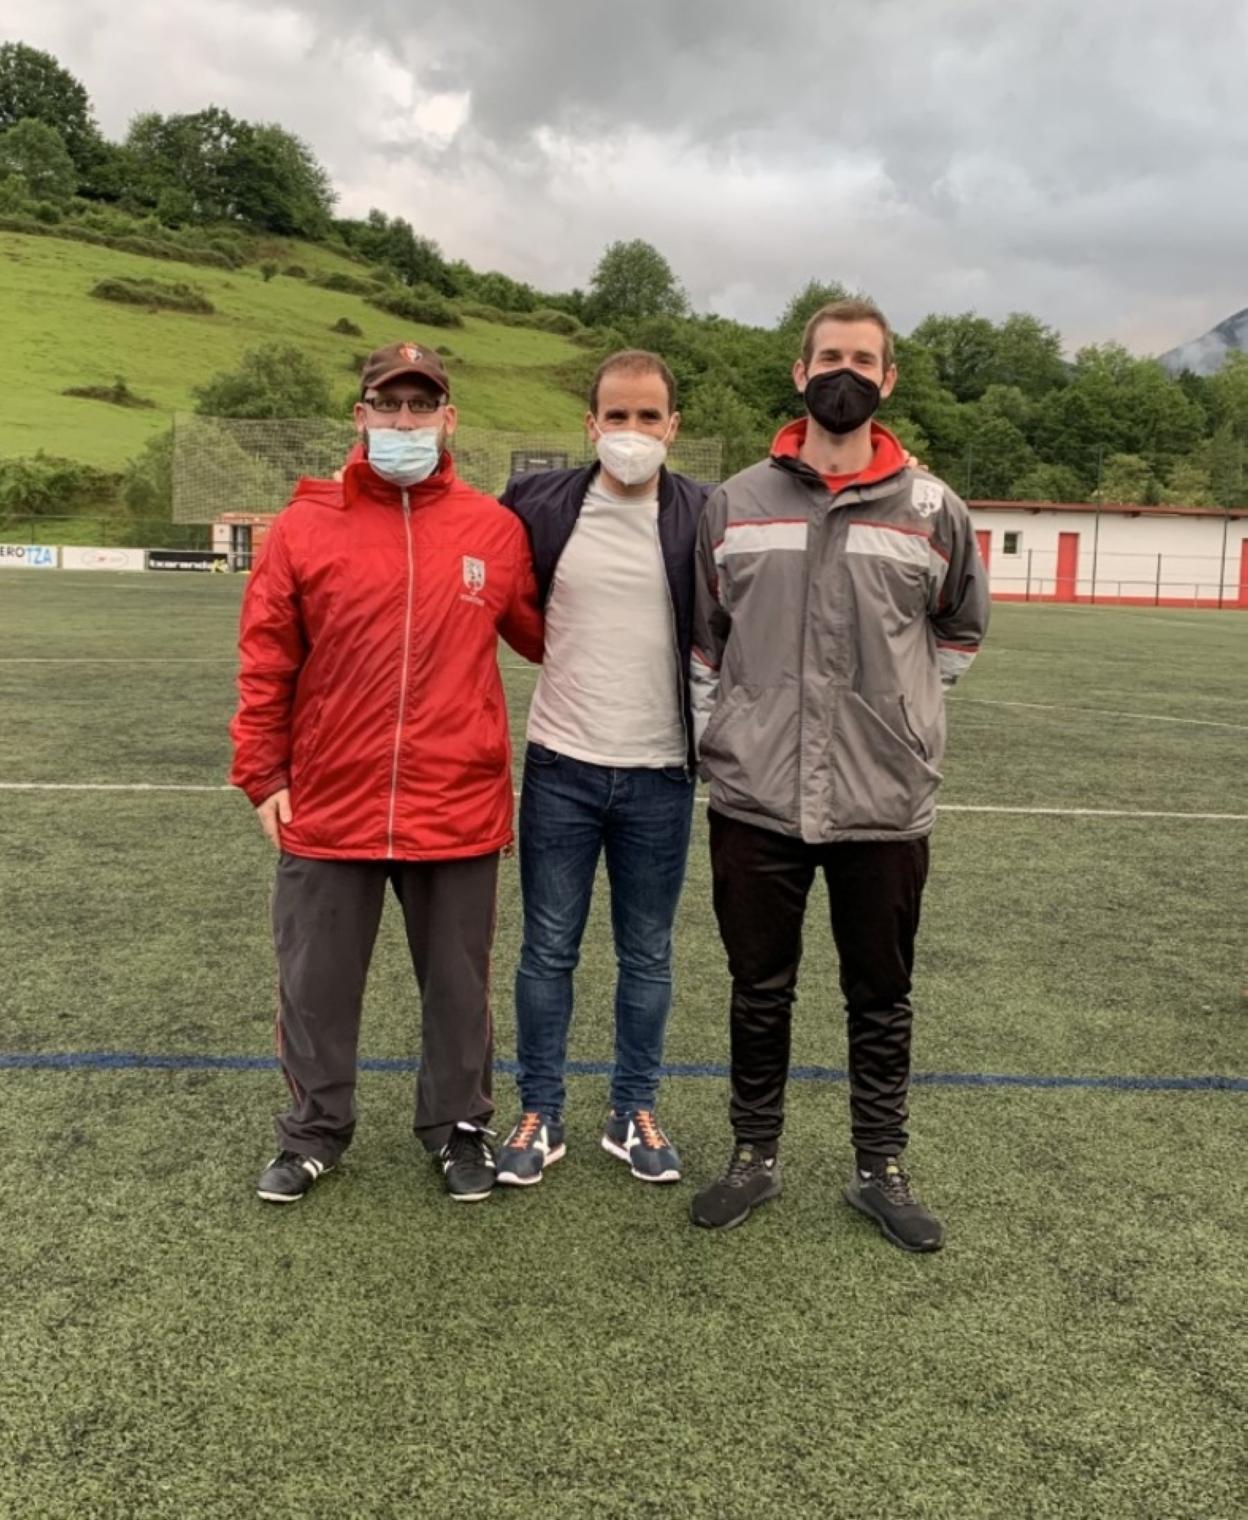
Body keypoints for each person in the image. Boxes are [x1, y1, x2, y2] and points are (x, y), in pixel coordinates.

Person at [687, 299, 990, 1248]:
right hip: (757, 794)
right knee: (758, 988)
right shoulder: (735, 502)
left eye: (863, 359)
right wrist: (738, 732)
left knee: (881, 996)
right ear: (800, 371)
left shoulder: (934, 509)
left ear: (888, 379)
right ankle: (753, 1155)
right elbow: (708, 642)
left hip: (882, 800)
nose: (844, 373)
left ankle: (879, 1168)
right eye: (829, 357)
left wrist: (897, 719)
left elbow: (959, 632)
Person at [230, 341, 543, 1206]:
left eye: (422, 404)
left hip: (457, 801)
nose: (405, 420)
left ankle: (458, 1127)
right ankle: (313, 1132)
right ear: (360, 415)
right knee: (315, 985)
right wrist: (262, 773)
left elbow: (548, 635)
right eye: (389, 404)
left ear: (449, 418)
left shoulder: (493, 529)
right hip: (331, 800)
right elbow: (266, 657)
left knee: (458, 988)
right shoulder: (304, 526)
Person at [494, 350, 708, 1188]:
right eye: (616, 416)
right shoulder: (537, 503)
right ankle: (540, 1111)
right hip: (562, 766)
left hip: (661, 772)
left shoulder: (706, 512)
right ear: (590, 425)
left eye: (648, 416)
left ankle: (633, 1109)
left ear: (672, 427)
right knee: (547, 950)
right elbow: (461, 550)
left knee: (647, 955)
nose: (631, 431)